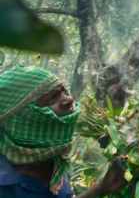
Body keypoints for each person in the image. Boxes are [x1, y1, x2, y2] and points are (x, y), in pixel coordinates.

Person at [0, 65, 127, 198]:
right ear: (23, 119)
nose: (69, 100)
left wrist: (102, 188)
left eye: (64, 92)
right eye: (52, 98)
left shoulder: (53, 159)